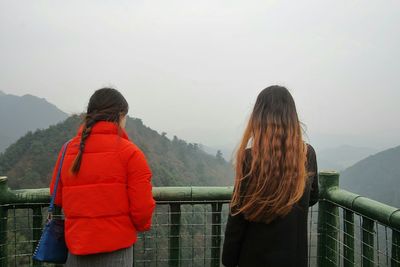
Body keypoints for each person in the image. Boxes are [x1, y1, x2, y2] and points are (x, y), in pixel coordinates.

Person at [49, 88, 155, 267]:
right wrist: (140, 226)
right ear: (120, 115)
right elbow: (142, 208)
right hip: (117, 249)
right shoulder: (131, 153)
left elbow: (57, 196)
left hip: (76, 247)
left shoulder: (68, 150)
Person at [222, 86, 318, 267]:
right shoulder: (307, 154)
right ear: (292, 117)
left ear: (258, 117)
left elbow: (238, 214)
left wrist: (228, 259)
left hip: (252, 257)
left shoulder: (249, 157)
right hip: (294, 258)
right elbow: (313, 196)